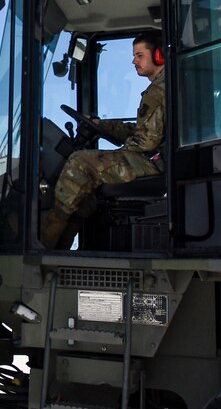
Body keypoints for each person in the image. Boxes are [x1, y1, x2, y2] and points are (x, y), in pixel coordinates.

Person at [41, 30, 167, 248]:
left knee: (78, 163)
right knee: (86, 183)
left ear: (158, 55)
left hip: (151, 161)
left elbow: (146, 141)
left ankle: (45, 242)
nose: (133, 61)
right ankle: (62, 247)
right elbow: (141, 130)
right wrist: (102, 126)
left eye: (140, 55)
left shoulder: (159, 90)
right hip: (155, 159)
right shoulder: (164, 86)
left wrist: (122, 149)